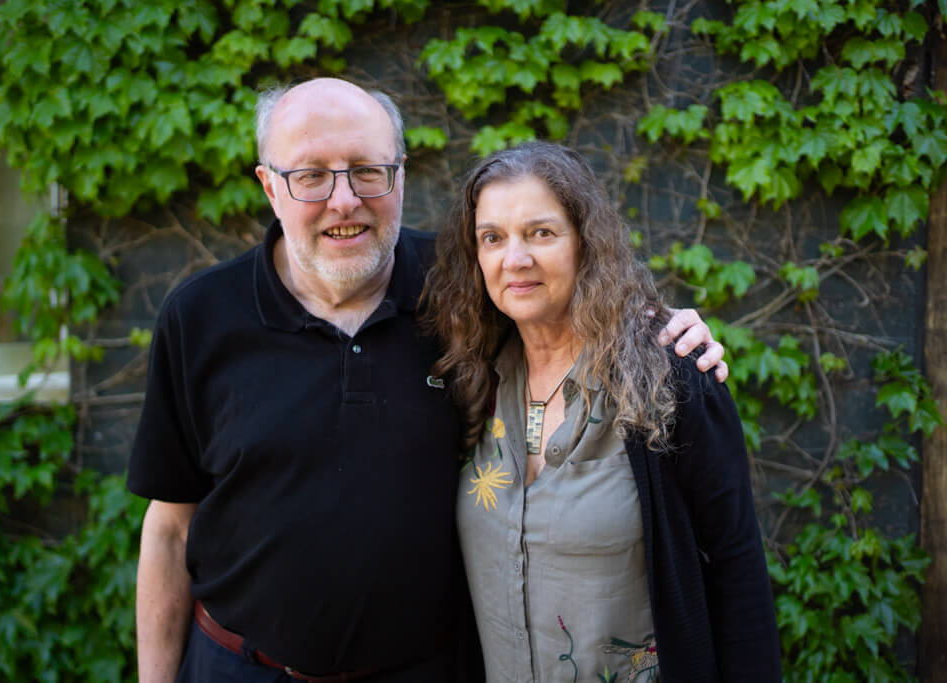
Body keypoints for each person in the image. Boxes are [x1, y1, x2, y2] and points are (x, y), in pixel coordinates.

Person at [127, 78, 728, 682]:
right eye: (311, 176)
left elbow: (568, 307)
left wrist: (662, 331)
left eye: (368, 171)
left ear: (401, 175)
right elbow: (171, 531)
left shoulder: (464, 291)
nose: (344, 200)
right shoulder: (200, 317)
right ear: (269, 186)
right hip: (239, 668)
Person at [423, 141, 780, 682]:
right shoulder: (470, 375)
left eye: (541, 233)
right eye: (492, 238)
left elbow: (737, 567)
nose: (514, 259)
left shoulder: (668, 375)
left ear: (585, 243)